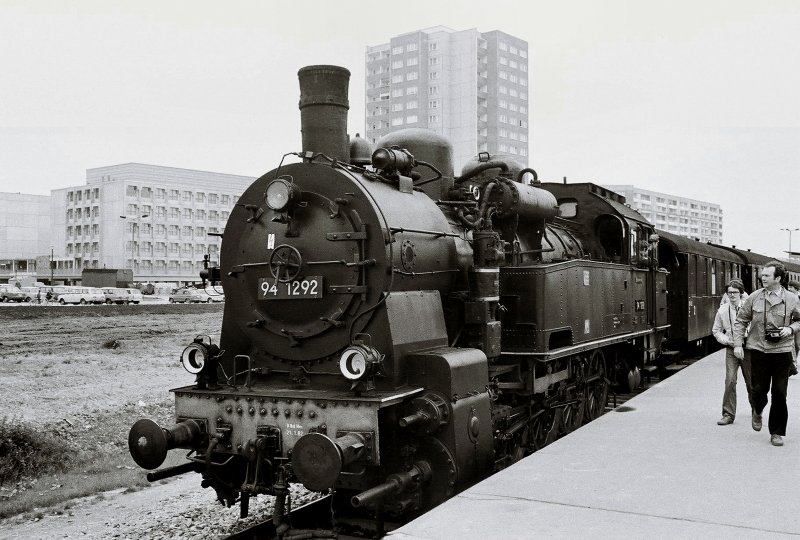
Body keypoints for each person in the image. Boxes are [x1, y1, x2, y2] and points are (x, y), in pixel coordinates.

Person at [733, 261, 800, 447]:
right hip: (758, 350)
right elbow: (740, 321)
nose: (762, 277)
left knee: (780, 392)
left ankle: (777, 432)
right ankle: (757, 410)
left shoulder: (792, 299)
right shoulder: (754, 297)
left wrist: (791, 329)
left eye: (767, 275)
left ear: (778, 278)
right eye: (762, 275)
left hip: (782, 351)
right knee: (759, 390)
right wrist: (738, 344)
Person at [713, 279, 751, 425]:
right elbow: (716, 330)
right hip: (731, 348)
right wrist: (727, 340)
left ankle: (756, 410)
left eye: (735, 292)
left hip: (748, 348)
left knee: (751, 381)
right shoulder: (722, 310)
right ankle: (728, 414)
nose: (732, 295)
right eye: (729, 293)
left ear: (741, 293)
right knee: (730, 380)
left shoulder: (749, 308)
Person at [789, 280, 800, 376]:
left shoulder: (798, 297)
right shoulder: (789, 297)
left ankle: (793, 363)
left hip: (798, 322)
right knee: (793, 344)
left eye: (791, 287)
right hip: (792, 323)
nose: (789, 289)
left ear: (795, 288)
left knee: (797, 344)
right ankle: (793, 363)